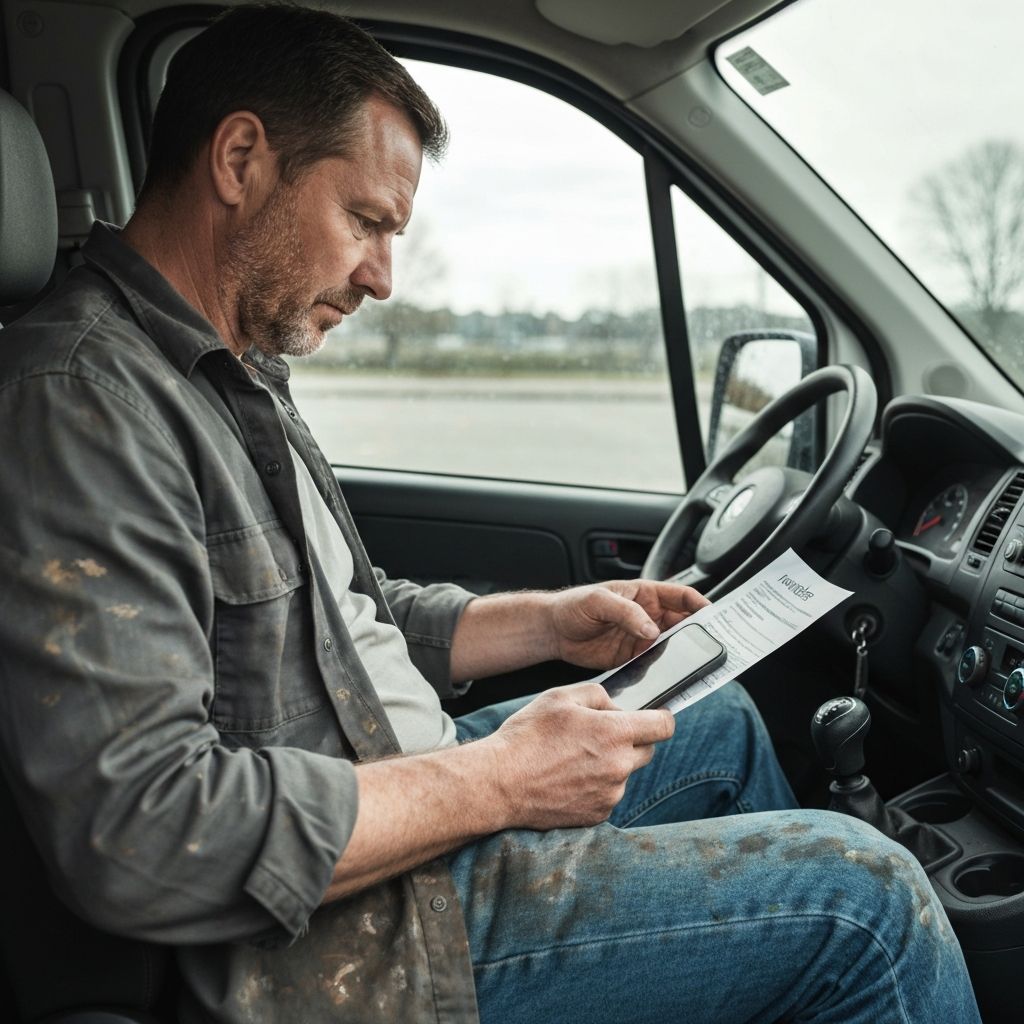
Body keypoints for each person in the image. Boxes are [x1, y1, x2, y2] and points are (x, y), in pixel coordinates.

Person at [0, 4, 980, 1023]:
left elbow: (338, 620)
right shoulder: (78, 404)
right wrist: (496, 780)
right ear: (241, 158)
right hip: (338, 951)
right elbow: (146, 835)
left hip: (402, 814)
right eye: (366, 221)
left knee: (716, 719)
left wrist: (549, 621)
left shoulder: (227, 370)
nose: (382, 274)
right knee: (865, 900)